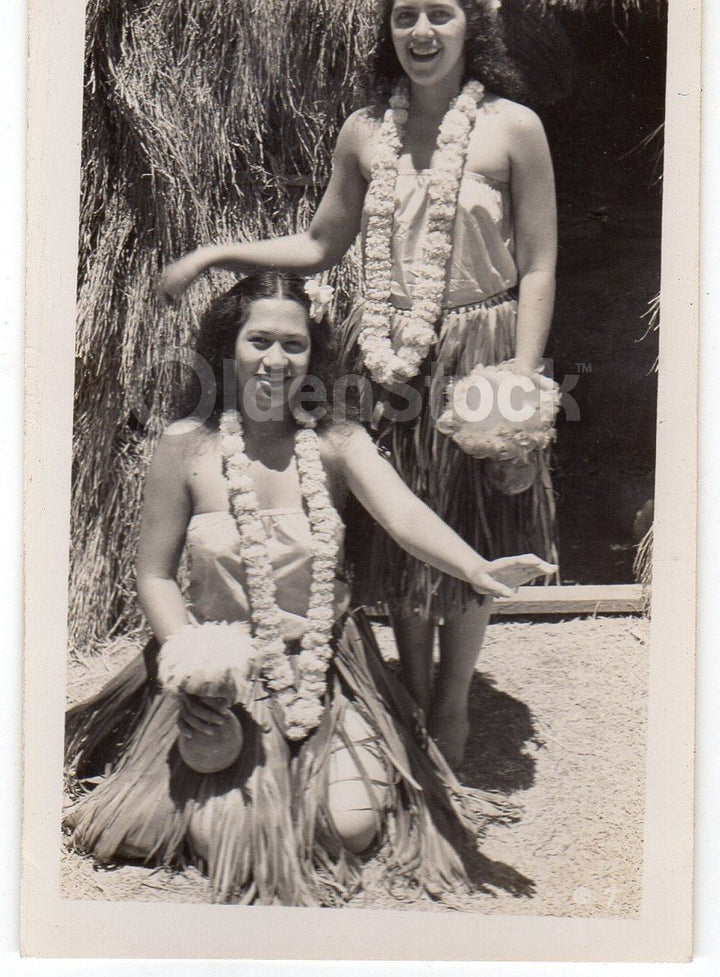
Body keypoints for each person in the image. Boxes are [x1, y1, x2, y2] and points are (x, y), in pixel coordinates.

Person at [159, 0, 558, 769]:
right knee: (396, 521)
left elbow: (541, 262)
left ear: (470, 23)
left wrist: (520, 377)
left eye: (438, 14)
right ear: (388, 27)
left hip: (482, 349)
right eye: (405, 15)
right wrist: (216, 255)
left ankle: (452, 708)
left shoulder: (512, 128)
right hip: (384, 354)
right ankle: (413, 701)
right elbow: (319, 245)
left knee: (474, 519)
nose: (421, 30)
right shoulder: (364, 133)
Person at [65, 271, 553, 906]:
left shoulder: (338, 442)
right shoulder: (186, 447)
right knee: (226, 841)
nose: (275, 359)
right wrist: (194, 663)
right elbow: (153, 575)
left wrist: (474, 567)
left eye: (293, 344)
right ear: (226, 348)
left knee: (351, 828)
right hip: (222, 667)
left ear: (313, 354)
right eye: (259, 340)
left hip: (323, 666)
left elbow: (404, 517)